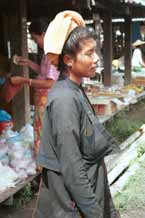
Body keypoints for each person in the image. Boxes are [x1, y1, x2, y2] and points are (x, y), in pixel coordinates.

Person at [34, 11, 120, 218]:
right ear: (68, 60)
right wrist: (94, 212)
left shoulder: (74, 89)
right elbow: (72, 167)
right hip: (72, 206)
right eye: (89, 53)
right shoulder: (65, 100)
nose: (97, 58)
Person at [10, 19, 59, 156]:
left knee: (44, 131)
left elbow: (50, 82)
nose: (35, 41)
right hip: (43, 99)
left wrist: (25, 80)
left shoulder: (52, 54)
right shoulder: (47, 53)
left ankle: (47, 166)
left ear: (43, 34)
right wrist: (29, 63)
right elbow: (44, 74)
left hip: (48, 99)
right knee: (41, 130)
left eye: (35, 38)